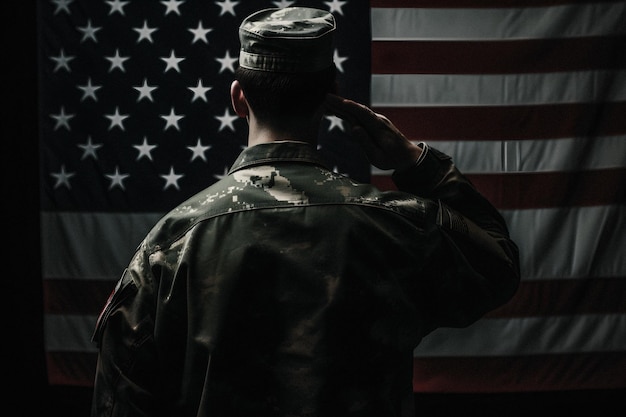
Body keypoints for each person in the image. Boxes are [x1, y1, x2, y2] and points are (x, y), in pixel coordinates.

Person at [90, 7, 520, 417]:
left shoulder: (171, 242)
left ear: (239, 98)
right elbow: (498, 264)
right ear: (330, 99)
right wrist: (416, 163)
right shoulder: (397, 224)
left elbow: (121, 399)